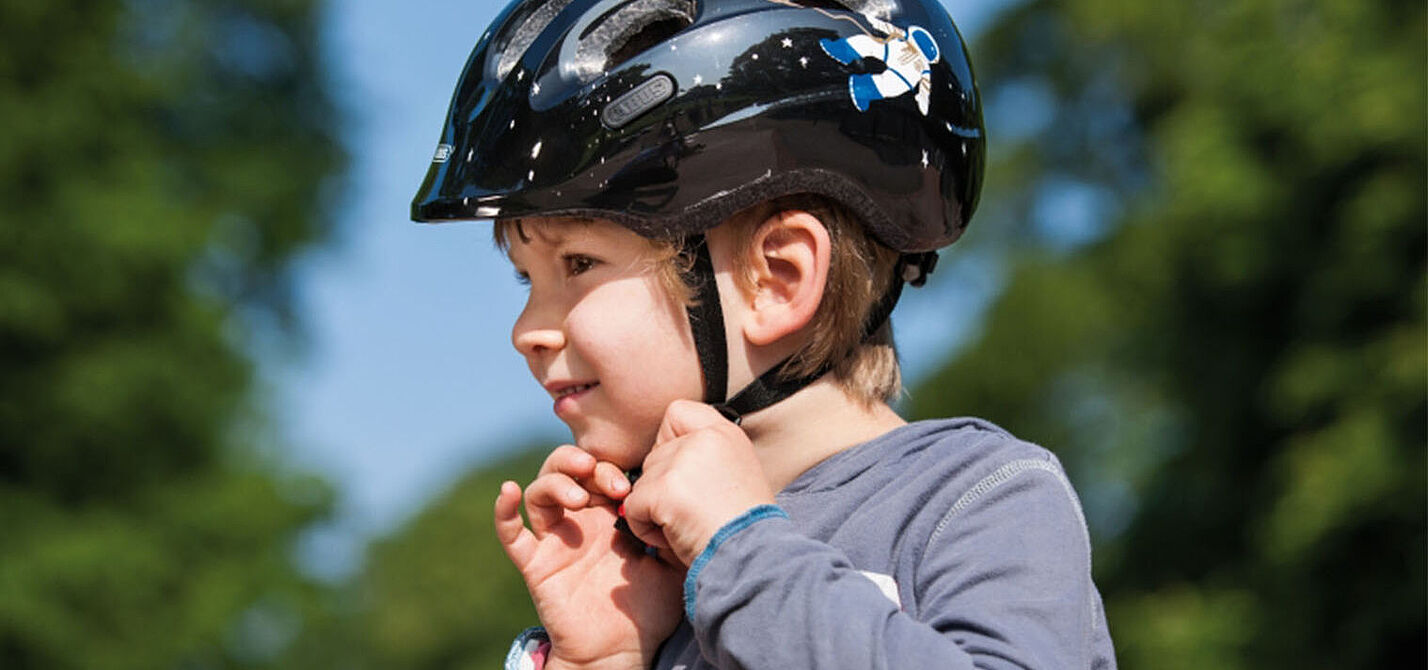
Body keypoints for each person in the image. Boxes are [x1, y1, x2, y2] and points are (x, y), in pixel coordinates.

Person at [411, 0, 1117, 667]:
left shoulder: (978, 501)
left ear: (776, 279)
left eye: (578, 264)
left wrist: (741, 549)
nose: (526, 332)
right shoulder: (649, 569)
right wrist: (606, 657)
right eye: (526, 280)